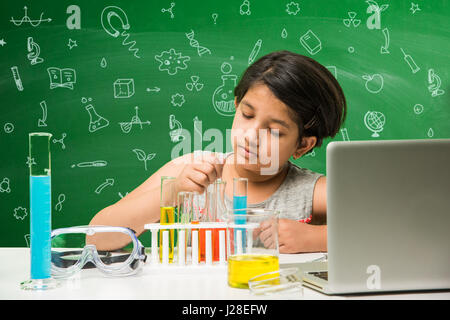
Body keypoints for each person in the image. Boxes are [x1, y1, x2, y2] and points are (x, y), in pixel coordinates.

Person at [88, 50, 347, 253]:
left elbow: (386, 224)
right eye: (247, 115)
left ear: (302, 144)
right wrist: (173, 191)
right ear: (236, 105)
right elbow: (96, 237)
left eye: (275, 131)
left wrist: (316, 237)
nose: (251, 135)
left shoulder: (310, 191)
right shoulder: (190, 169)